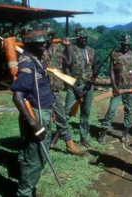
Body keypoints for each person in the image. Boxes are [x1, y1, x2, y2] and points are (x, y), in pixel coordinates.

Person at [10, 23, 53, 197]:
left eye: (44, 41)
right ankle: (25, 193)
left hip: (44, 112)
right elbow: (18, 97)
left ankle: (30, 188)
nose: (44, 44)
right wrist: (35, 124)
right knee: (34, 161)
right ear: (29, 43)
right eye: (40, 42)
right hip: (37, 115)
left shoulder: (36, 59)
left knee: (39, 157)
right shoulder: (28, 64)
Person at [42, 24, 87, 156]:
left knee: (61, 118)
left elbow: (68, 62)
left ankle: (70, 146)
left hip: (54, 90)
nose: (49, 38)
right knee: (44, 120)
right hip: (42, 90)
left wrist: (67, 46)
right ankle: (43, 147)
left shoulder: (58, 48)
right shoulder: (39, 50)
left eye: (51, 35)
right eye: (47, 35)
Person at [98, 34, 132, 144]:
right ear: (121, 44)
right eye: (124, 45)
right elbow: (111, 70)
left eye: (128, 45)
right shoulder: (115, 54)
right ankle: (103, 133)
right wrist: (114, 87)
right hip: (118, 87)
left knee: (129, 111)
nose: (126, 47)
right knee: (112, 110)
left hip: (130, 87)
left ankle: (125, 134)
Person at [64, 27, 96, 148]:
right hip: (74, 84)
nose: (83, 40)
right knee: (67, 112)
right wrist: (74, 87)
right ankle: (60, 135)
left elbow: (95, 67)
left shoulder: (91, 51)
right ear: (77, 38)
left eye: (85, 38)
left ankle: (84, 138)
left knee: (85, 112)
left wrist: (92, 80)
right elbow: (66, 67)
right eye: (81, 38)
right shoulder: (70, 49)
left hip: (88, 85)